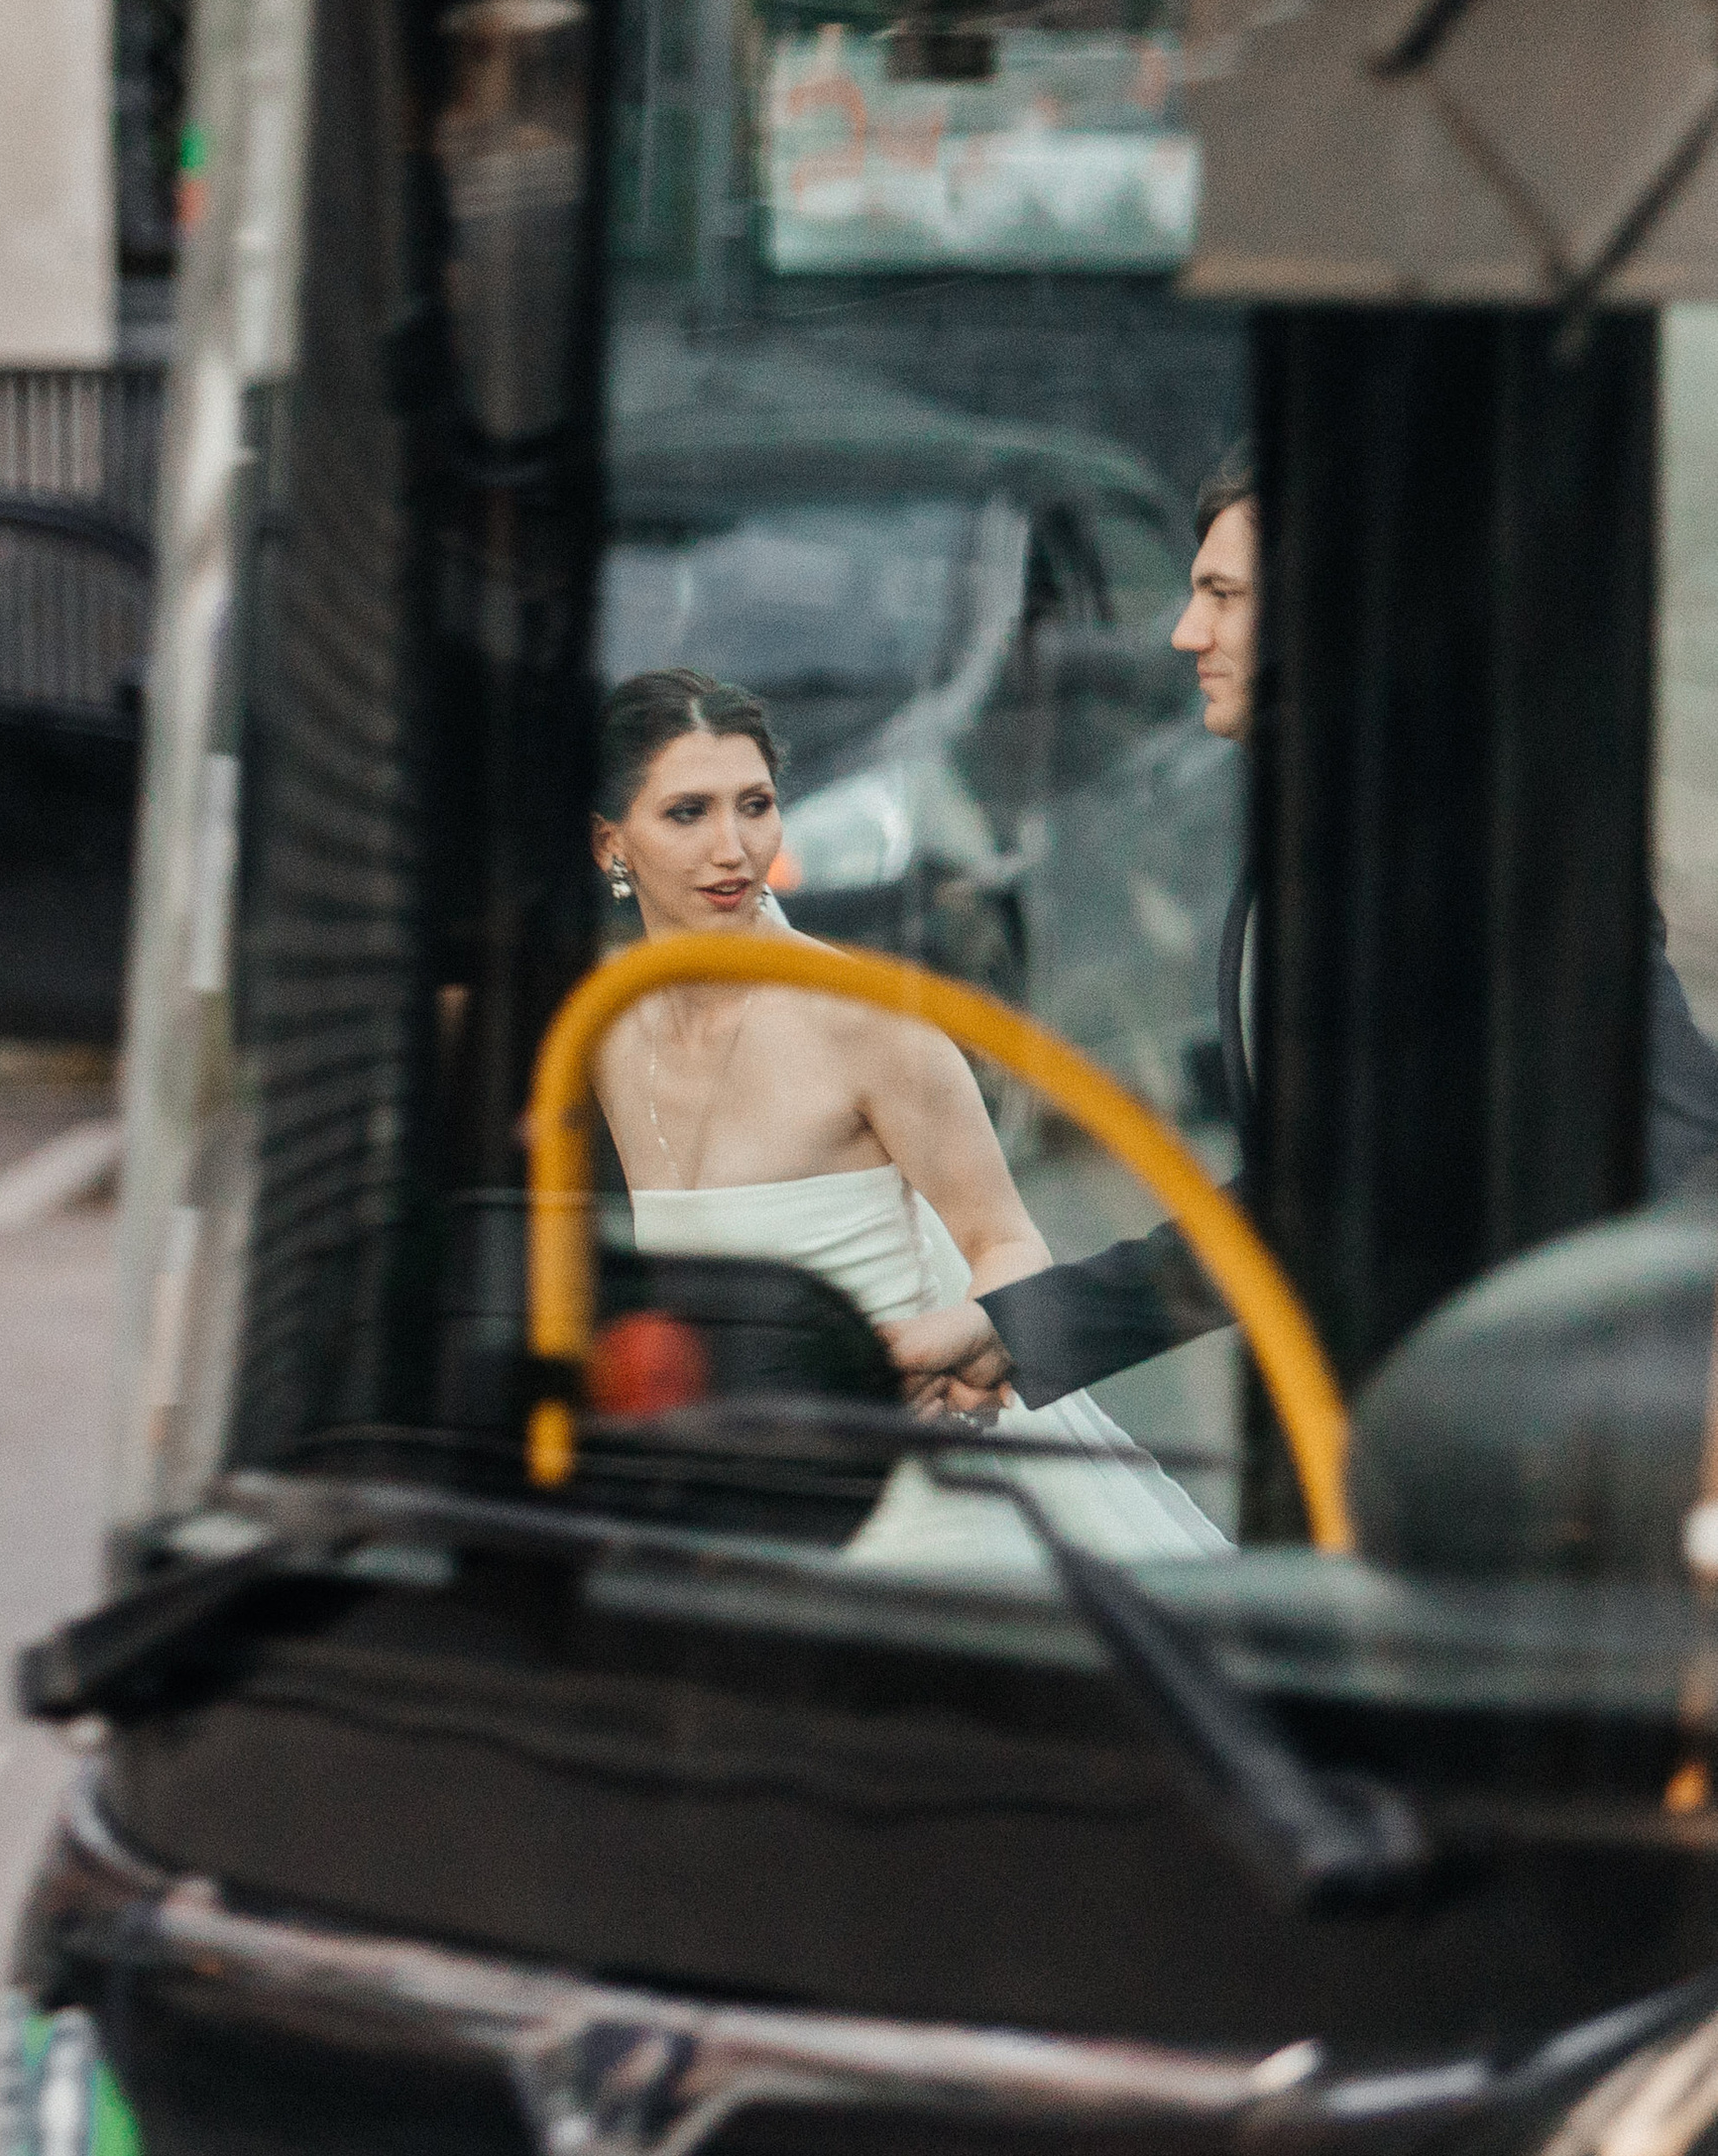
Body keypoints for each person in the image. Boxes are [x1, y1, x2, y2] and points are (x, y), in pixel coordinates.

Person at [889, 450, 1718, 1414]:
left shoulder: (1456, 838)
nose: (1183, 632)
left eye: (1223, 595)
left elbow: (1661, 1131)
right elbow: (1320, 1190)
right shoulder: (1347, 822)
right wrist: (1024, 1330)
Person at [592, 665, 1221, 1559]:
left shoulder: (871, 1024)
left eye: (757, 804)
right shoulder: (604, 1027)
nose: (732, 847)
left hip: (906, 1499)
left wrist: (969, 1339)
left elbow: (1007, 1242)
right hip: (720, 1502)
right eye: (688, 813)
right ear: (610, 843)